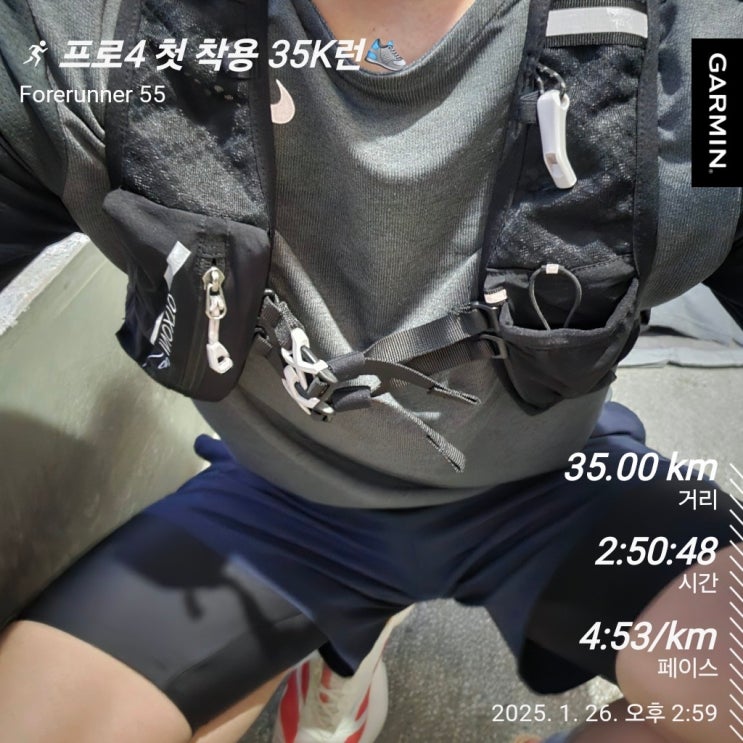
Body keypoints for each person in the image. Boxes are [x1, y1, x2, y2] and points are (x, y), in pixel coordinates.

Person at [0, 1, 742, 742]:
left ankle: (341, 649)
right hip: (283, 499)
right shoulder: (72, 37)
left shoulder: (702, 56)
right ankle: (332, 649)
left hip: (555, 486)